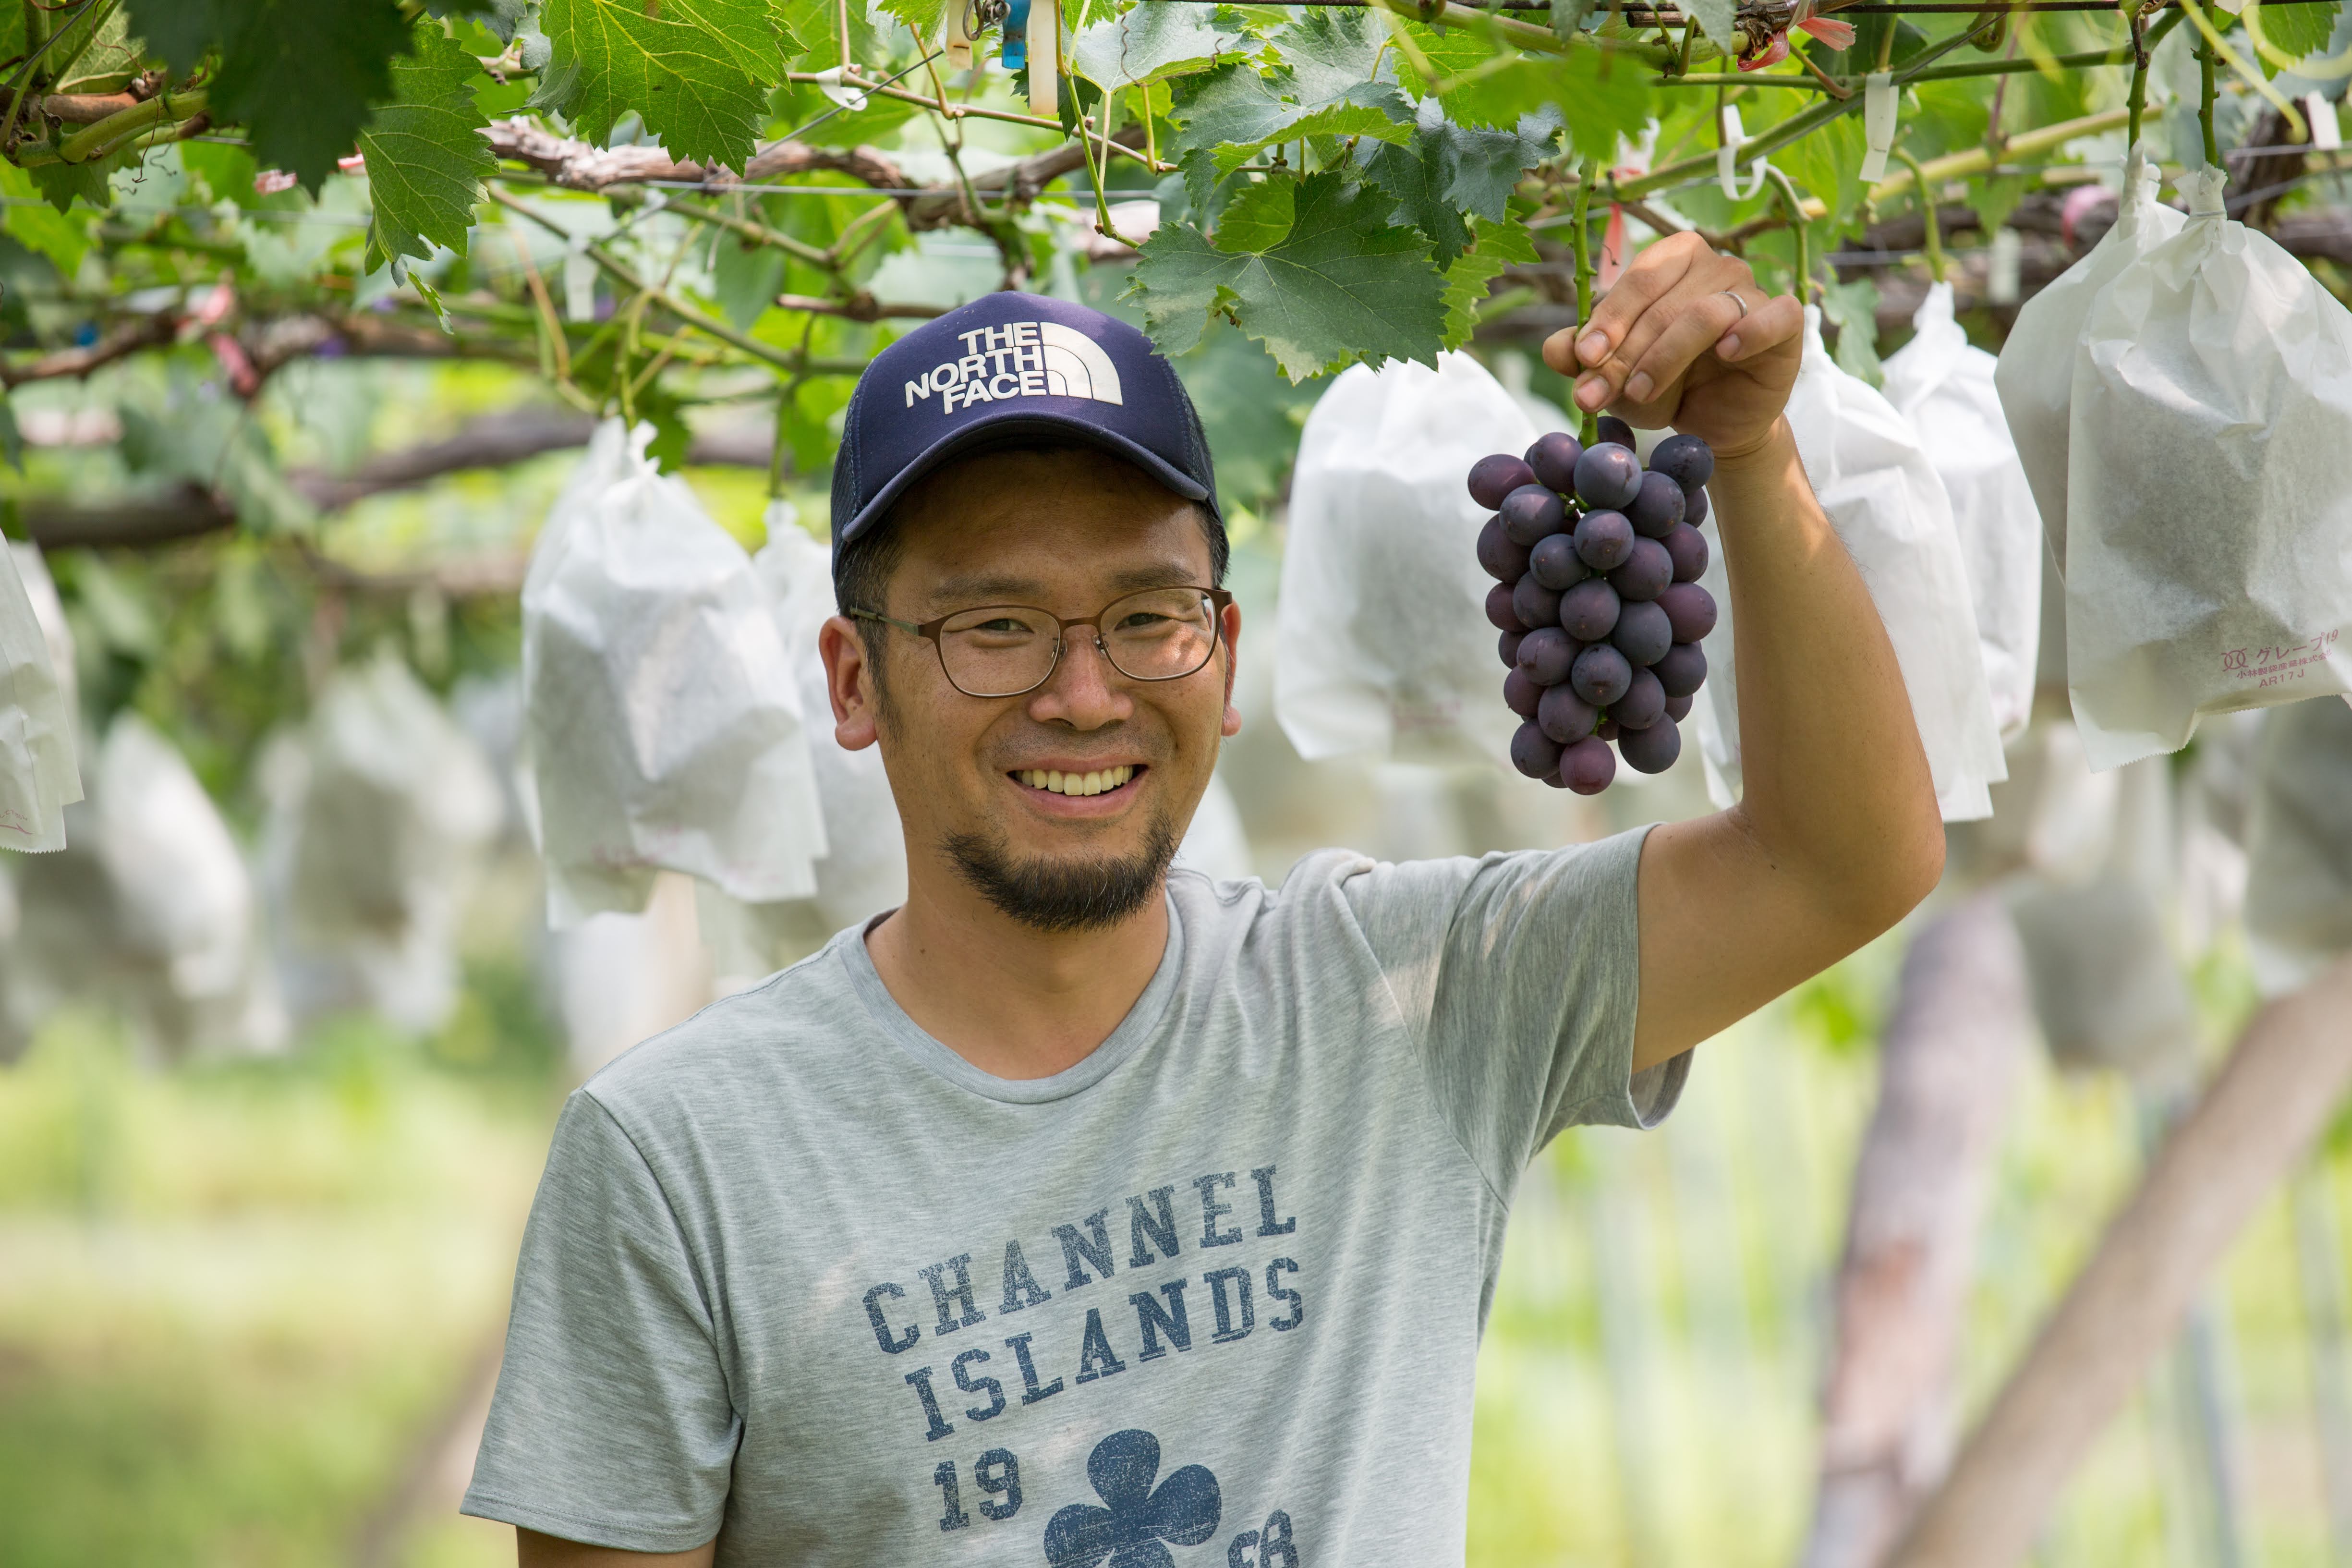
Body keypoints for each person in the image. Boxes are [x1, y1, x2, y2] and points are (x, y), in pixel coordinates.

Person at [461, 234, 1944, 1566]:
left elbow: (1841, 859)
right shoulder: (674, 1156)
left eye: (1145, 617)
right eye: (994, 626)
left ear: (1224, 658)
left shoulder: (1397, 999)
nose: (1084, 690)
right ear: (853, 682)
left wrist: (1752, 456)